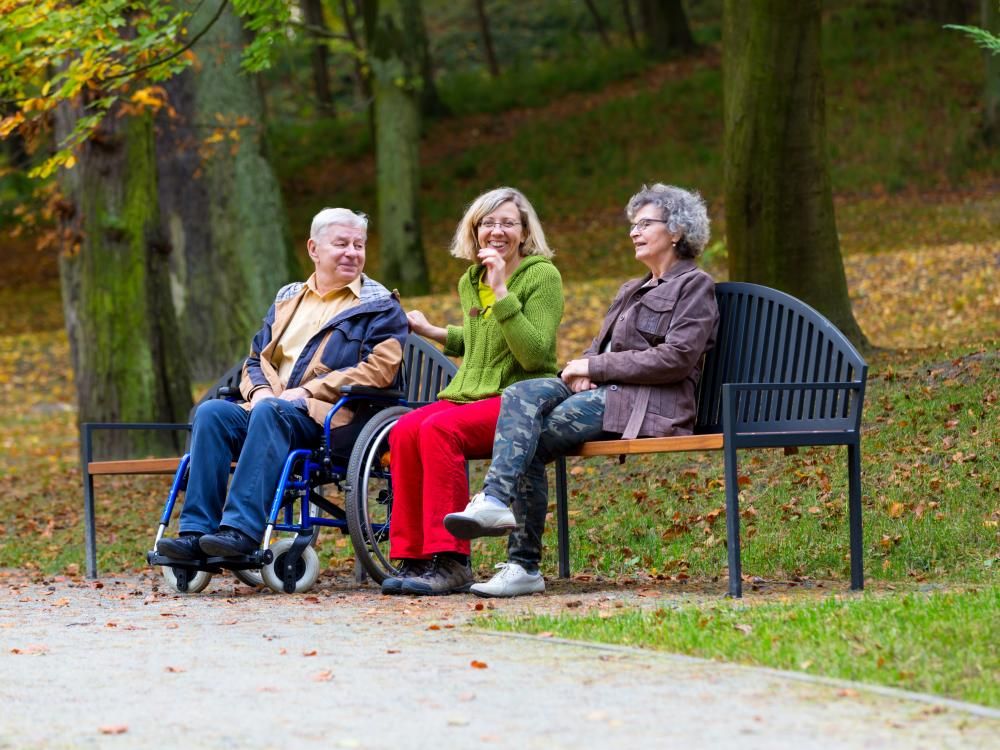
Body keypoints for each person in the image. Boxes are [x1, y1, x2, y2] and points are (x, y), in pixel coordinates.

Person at [444, 183, 719, 597]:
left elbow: (676, 359)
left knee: (529, 437)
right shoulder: (632, 288)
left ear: (677, 231)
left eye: (645, 224)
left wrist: (597, 366)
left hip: (647, 406)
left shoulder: (694, 286)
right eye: (633, 224)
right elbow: (599, 346)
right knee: (521, 396)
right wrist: (581, 369)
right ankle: (496, 505)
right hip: (606, 394)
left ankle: (522, 563)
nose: (634, 232)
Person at [157, 208, 408, 561]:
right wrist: (259, 392)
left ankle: (240, 531)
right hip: (270, 410)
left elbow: (380, 370)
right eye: (341, 243)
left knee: (272, 412)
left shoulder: (380, 306)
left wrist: (307, 391)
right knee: (212, 413)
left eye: (359, 244)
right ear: (313, 248)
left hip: (329, 418)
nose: (353, 252)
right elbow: (256, 358)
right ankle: (196, 534)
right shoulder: (288, 298)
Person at [383, 187, 564, 596]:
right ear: (475, 229)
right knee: (404, 431)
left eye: (508, 223)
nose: (497, 231)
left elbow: (534, 352)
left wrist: (502, 292)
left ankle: (452, 561)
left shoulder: (540, 275)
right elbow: (485, 339)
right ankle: (414, 557)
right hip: (470, 394)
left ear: (524, 230)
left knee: (438, 431)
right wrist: (434, 331)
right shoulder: (471, 279)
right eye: (488, 222)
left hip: (517, 397)